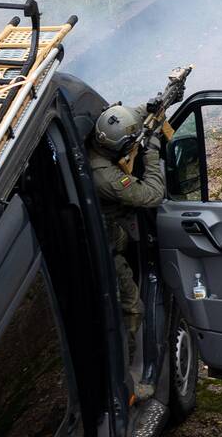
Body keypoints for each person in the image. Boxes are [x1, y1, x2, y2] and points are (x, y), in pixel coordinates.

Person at [90, 103, 165, 400]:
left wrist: (152, 106)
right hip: (106, 249)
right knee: (132, 308)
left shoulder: (100, 133)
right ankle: (124, 384)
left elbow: (128, 120)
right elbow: (152, 195)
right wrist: (152, 149)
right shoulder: (107, 177)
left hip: (108, 232)